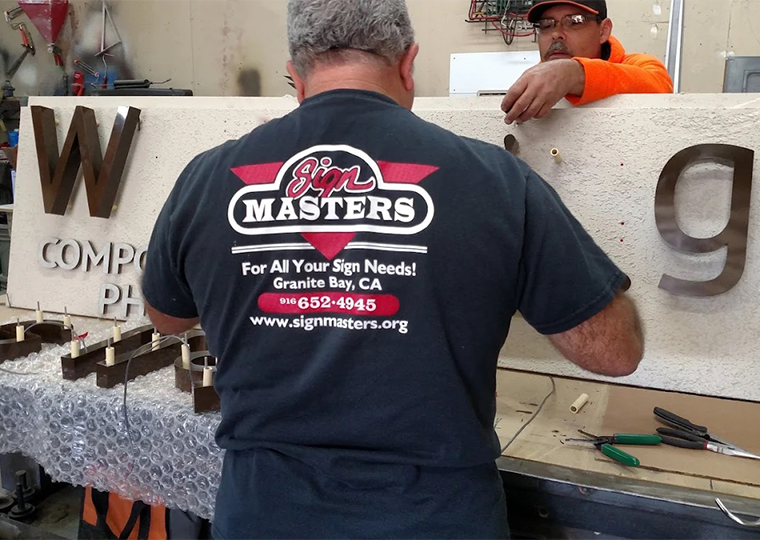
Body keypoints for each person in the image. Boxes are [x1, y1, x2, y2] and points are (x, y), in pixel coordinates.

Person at [142, 0, 644, 538]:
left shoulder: (207, 178)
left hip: (263, 515)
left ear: (296, 76)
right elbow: (615, 351)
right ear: (408, 64)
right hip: (436, 518)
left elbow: (166, 317)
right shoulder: (497, 180)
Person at [502, 0, 673, 124]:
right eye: (546, 25)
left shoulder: (637, 65)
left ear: (603, 31)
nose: (556, 34)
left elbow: (661, 88)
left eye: (574, 21)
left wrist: (575, 74)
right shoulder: (532, 84)